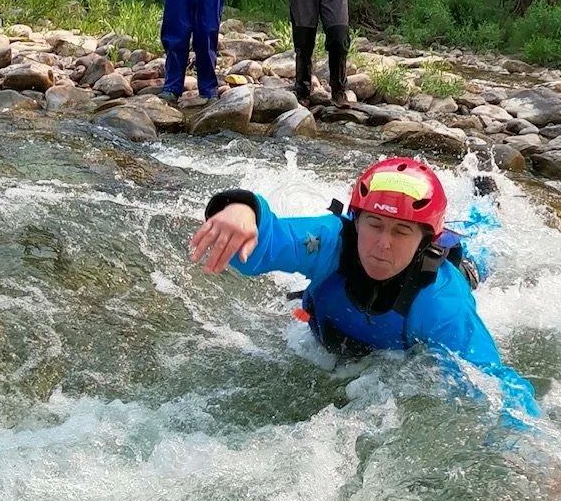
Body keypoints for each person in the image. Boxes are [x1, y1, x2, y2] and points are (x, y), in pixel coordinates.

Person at [189, 156, 540, 425]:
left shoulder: (440, 300)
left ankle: (486, 203)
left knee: (481, 244)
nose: (382, 244)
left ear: (425, 241)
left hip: (461, 273)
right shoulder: (331, 242)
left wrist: (532, 443)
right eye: (374, 224)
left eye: (402, 231)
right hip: (340, 339)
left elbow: (492, 380)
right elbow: (264, 246)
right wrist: (241, 208)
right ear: (356, 222)